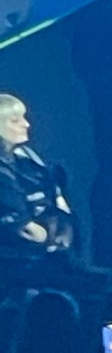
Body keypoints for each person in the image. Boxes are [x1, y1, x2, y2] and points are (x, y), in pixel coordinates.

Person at [0, 95, 73, 254]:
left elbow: (57, 199)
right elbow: (22, 227)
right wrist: (45, 238)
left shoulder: (29, 159)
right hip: (15, 260)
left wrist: (63, 227)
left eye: (24, 118)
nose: (26, 124)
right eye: (15, 121)